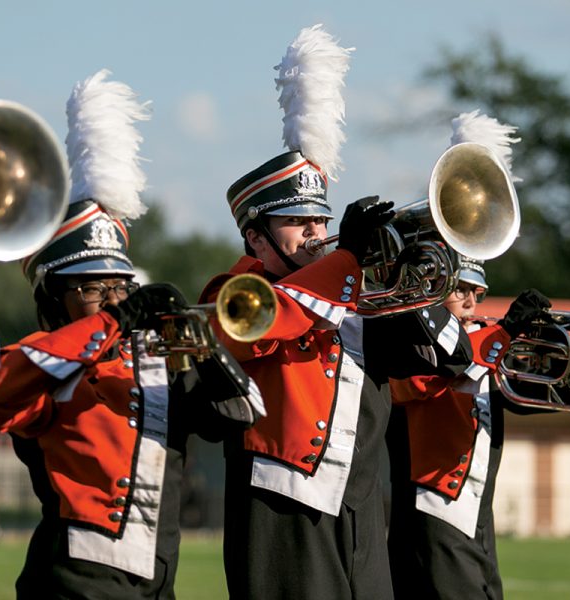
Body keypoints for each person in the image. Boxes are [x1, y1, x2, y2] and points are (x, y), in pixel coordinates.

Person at [200, 25, 473, 599]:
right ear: (256, 238)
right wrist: (348, 259)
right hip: (280, 516)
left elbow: (452, 358)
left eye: (322, 222)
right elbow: (269, 322)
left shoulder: (354, 294)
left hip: (363, 515)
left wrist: (411, 267)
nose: (315, 235)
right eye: (299, 223)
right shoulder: (236, 292)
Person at [0, 70, 264, 599]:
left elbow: (240, 414)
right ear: (53, 298)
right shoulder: (42, 364)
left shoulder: (159, 366)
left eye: (120, 286)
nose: (112, 298)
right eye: (92, 288)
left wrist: (198, 343)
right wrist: (113, 323)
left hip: (159, 582)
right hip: (71, 582)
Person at [386, 258, 552, 600]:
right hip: (432, 513)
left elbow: (531, 397)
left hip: (478, 519)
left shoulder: (488, 347)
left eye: (477, 293)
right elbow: (432, 376)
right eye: (459, 290)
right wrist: (503, 333)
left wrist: (549, 359)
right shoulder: (410, 343)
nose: (470, 303)